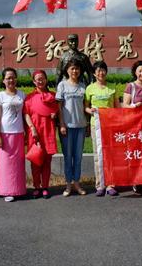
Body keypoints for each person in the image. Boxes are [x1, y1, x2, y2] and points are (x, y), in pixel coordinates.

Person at [85, 61, 119, 197]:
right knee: (98, 154)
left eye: (103, 70)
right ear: (94, 73)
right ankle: (100, 185)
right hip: (96, 125)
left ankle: (111, 184)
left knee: (111, 155)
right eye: (98, 70)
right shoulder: (90, 88)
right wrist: (91, 111)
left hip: (110, 125)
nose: (101, 73)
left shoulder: (112, 87)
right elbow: (86, 107)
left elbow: (117, 107)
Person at [23, 70, 59, 199]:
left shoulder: (53, 96)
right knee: (35, 160)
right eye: (37, 79)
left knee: (47, 161)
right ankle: (36, 187)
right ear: (34, 82)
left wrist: (55, 114)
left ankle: (45, 187)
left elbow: (58, 111)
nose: (40, 81)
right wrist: (32, 128)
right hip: (35, 132)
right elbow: (26, 114)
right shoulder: (29, 97)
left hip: (48, 131)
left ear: (46, 80)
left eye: (42, 78)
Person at [0, 67, 27, 202]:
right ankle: (7, 191)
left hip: (19, 133)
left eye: (13, 77)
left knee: (18, 164)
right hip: (5, 134)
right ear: (3, 80)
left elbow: (25, 115)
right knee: (5, 164)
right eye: (8, 78)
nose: (11, 80)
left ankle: (19, 189)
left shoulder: (22, 95)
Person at [122, 60, 142, 195]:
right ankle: (136, 182)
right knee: (136, 154)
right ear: (135, 72)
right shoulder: (131, 86)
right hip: (134, 126)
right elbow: (124, 105)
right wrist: (135, 106)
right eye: (140, 71)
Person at [56, 59, 88, 196]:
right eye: (72, 68)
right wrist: (62, 124)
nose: (74, 71)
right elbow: (59, 107)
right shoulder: (62, 85)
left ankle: (77, 183)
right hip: (67, 127)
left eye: (77, 69)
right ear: (67, 70)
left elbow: (85, 106)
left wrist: (87, 124)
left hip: (80, 126)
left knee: (78, 157)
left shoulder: (83, 86)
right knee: (68, 156)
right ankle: (68, 184)